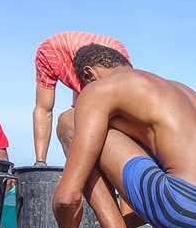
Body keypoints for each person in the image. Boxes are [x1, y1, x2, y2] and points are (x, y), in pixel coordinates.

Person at [42, 44, 196, 228]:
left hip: (186, 210)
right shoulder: (178, 89)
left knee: (70, 121)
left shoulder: (100, 89)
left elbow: (67, 198)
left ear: (89, 74)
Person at [33, 31, 130, 165]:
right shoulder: (50, 52)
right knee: (69, 124)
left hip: (105, 75)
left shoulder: (115, 53)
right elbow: (44, 109)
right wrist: (40, 163)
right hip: (61, 56)